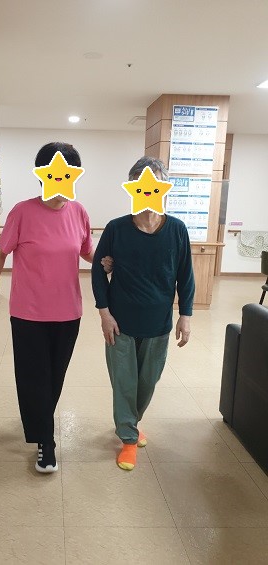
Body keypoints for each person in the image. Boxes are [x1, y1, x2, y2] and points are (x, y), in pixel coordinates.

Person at [0, 142, 95, 473]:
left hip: (68, 312)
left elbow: (87, 251)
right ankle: (46, 441)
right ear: (42, 176)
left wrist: (112, 261)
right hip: (28, 313)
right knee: (34, 376)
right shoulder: (22, 212)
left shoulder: (79, 212)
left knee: (54, 376)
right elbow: (1, 254)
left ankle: (40, 420)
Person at [91, 156, 195, 471]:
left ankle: (131, 423)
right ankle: (128, 438)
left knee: (147, 382)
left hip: (158, 323)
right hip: (120, 322)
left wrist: (186, 315)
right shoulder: (116, 228)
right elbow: (98, 272)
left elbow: (185, 275)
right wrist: (104, 313)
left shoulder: (177, 230)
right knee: (124, 383)